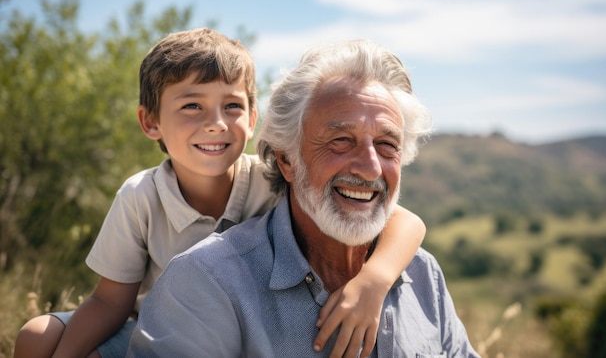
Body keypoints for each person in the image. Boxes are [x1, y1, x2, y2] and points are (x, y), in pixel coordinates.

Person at [14, 30, 426, 358]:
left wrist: (374, 280)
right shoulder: (140, 196)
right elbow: (109, 303)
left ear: (253, 119)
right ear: (150, 121)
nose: (215, 123)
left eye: (231, 106)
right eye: (192, 106)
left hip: (232, 324)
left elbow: (400, 219)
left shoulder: (274, 178)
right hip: (147, 324)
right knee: (36, 336)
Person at [127, 39, 480, 357]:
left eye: (387, 145)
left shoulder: (423, 273)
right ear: (287, 160)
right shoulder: (206, 283)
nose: (371, 169)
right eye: (341, 140)